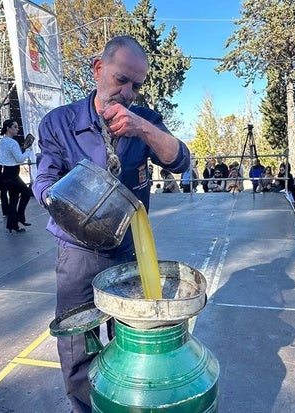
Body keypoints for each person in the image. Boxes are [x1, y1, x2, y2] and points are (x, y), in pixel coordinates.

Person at [33, 35, 190, 413]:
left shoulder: (145, 120)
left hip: (128, 250)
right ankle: (85, 409)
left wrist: (142, 129)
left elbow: (181, 161)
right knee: (77, 340)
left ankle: (125, 405)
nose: (128, 92)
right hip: (77, 252)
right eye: (122, 80)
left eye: (136, 85)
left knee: (130, 339)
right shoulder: (60, 122)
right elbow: (43, 181)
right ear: (98, 69)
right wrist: (69, 202)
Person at [0, 119, 32, 233]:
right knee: (26, 193)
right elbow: (20, 159)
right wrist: (28, 151)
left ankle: (12, 225)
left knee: (13, 200)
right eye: (15, 127)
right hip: (12, 173)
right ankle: (19, 218)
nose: (17, 129)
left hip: (5, 172)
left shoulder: (1, 141)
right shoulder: (12, 142)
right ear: (8, 128)